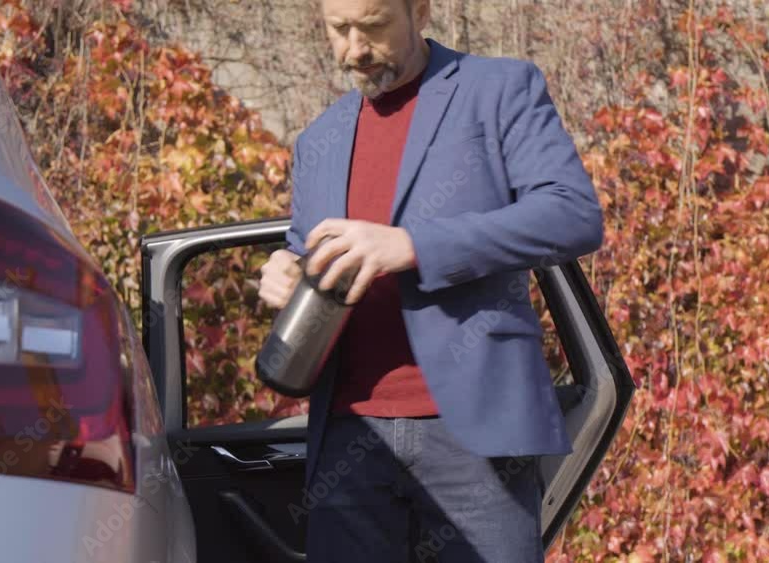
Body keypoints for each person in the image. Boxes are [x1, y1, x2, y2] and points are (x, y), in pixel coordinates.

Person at [257, 0, 603, 561]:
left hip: (474, 436)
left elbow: (572, 215)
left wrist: (414, 246)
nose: (354, 49)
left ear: (420, 12)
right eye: (337, 29)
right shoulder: (316, 140)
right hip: (348, 437)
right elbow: (306, 254)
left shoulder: (500, 89)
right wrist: (284, 270)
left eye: (372, 27)